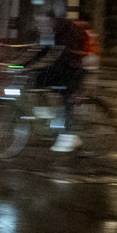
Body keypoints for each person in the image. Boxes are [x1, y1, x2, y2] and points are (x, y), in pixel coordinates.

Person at [34, 10, 87, 153]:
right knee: (35, 81)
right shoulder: (51, 30)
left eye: (42, 22)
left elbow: (61, 53)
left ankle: (71, 136)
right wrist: (21, 64)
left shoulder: (66, 30)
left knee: (67, 99)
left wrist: (45, 63)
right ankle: (48, 116)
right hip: (60, 68)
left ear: (51, 20)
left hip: (72, 70)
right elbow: (41, 50)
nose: (40, 25)